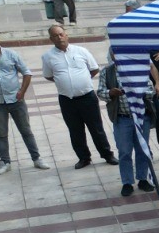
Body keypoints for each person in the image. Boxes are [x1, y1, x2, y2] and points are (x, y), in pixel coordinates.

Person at [0, 28, 48, 175]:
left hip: (16, 100)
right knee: (1, 134)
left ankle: (36, 158)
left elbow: (27, 73)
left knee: (26, 131)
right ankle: (5, 162)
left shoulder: (11, 54)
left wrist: (22, 92)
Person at [42, 25, 116, 170]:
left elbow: (94, 69)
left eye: (61, 34)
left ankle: (107, 154)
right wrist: (66, 83)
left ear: (66, 34)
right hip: (66, 100)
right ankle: (84, 158)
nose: (59, 37)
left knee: (96, 128)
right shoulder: (48, 57)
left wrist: (80, 81)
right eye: (55, 36)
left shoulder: (81, 51)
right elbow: (49, 75)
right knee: (75, 130)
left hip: (87, 97)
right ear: (51, 39)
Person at [99, 58, 155, 196]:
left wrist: (138, 92)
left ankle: (143, 179)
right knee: (124, 151)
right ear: (111, 56)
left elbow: (151, 91)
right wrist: (111, 93)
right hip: (122, 118)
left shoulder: (139, 69)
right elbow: (100, 92)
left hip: (141, 117)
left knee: (142, 149)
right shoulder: (107, 71)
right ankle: (127, 182)